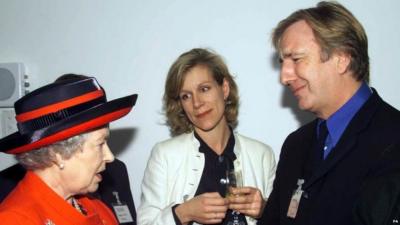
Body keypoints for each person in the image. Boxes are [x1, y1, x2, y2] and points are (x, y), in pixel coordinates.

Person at [258, 2, 400, 225]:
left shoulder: (393, 139)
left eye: (296, 59)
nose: (284, 77)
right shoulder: (296, 145)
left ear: (342, 58)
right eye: (282, 63)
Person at [137, 48, 276, 225]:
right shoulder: (164, 155)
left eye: (204, 89)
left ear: (224, 89)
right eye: (186, 96)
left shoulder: (262, 155)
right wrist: (183, 213)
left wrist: (265, 210)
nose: (197, 103)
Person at [0, 74, 138, 225]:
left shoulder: (96, 208)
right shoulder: (16, 219)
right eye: (100, 144)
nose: (109, 156)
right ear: (57, 154)